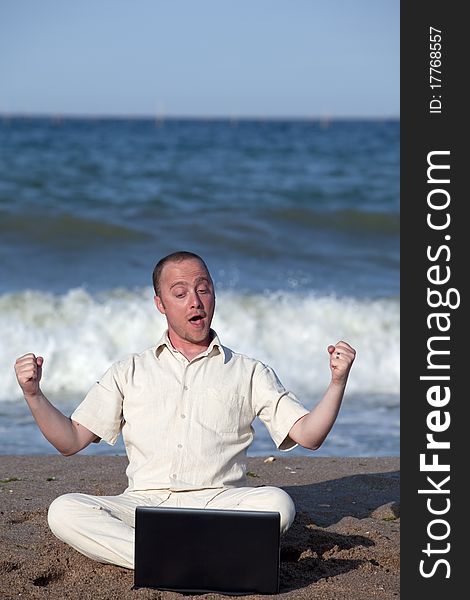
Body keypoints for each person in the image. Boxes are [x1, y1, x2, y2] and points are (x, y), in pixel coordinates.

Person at [14, 250, 356, 570]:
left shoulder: (249, 371)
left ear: (214, 296)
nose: (195, 301)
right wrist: (33, 393)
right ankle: (183, 558)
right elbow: (70, 440)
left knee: (278, 504)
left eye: (203, 290)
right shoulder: (129, 370)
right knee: (65, 510)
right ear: (160, 304)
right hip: (143, 506)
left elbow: (308, 436)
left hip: (221, 504)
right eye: (180, 293)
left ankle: (165, 557)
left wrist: (337, 381)